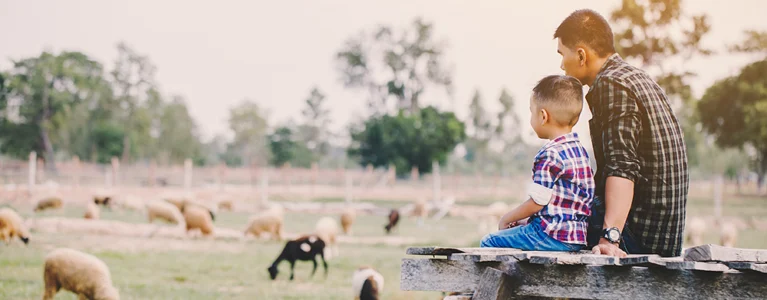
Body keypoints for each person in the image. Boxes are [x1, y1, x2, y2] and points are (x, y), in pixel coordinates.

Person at [553, 9, 689, 257]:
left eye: (563, 54)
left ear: (581, 55)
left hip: (637, 236)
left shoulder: (611, 84)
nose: (562, 65)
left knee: (546, 219)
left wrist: (610, 239)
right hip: (661, 236)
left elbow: (622, 166)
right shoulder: (634, 77)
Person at [480, 75, 594, 252]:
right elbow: (563, 205)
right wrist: (526, 220)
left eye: (531, 112)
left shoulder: (549, 154)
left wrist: (507, 218)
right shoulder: (580, 152)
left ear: (543, 116)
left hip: (551, 236)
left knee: (489, 242)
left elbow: (538, 202)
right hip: (577, 237)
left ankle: (509, 281)